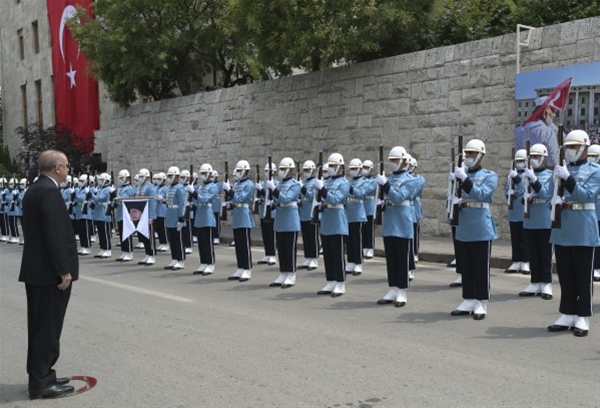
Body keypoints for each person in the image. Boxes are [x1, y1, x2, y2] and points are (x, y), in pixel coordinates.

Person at [19, 150, 78, 399]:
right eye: (66, 165)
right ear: (56, 167)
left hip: (37, 271)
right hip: (48, 274)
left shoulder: (35, 189)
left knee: (40, 326)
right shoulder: (49, 191)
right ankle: (42, 382)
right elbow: (54, 234)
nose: (68, 169)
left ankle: (41, 374)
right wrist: (63, 270)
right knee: (48, 328)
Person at [547, 130, 600, 337]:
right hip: (563, 227)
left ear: (585, 148)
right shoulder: (561, 169)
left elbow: (586, 196)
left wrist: (568, 179)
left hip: (583, 228)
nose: (569, 151)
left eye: (573, 147)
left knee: (582, 275)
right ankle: (567, 312)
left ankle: (583, 316)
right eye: (567, 147)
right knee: (565, 275)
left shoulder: (595, 171)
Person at [449, 139, 498, 320]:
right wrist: (452, 186)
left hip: (479, 225)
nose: (468, 156)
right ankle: (468, 298)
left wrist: (464, 179)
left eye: (471, 153)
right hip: (464, 224)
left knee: (480, 266)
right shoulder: (460, 174)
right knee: (466, 266)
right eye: (466, 153)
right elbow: (452, 198)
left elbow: (481, 194)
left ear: (480, 155)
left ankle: (481, 301)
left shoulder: (489, 175)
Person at [375, 146, 420, 307]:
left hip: (402, 222)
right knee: (391, 259)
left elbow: (399, 196)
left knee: (402, 258)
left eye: (395, 160)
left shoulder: (411, 180)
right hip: (389, 222)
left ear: (402, 161)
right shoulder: (389, 178)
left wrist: (385, 185)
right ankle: (392, 288)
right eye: (391, 160)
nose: (392, 163)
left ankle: (402, 291)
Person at [519, 143, 554, 299]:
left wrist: (533, 180)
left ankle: (546, 283)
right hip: (530, 219)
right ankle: (534, 282)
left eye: (537, 157)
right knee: (533, 253)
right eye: (532, 157)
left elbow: (545, 194)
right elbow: (521, 196)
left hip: (545, 218)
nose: (534, 160)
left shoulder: (550, 175)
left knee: (545, 254)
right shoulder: (526, 175)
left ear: (544, 158)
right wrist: (524, 197)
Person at [314, 153, 351, 297]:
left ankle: (340, 283)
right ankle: (330, 280)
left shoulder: (344, 183)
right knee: (328, 254)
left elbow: (335, 199)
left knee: (337, 254)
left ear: (341, 167)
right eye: (329, 165)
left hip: (337, 220)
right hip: (326, 220)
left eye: (333, 165)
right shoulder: (327, 181)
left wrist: (322, 189)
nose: (331, 168)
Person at [268, 157, 301, 288]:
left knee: (289, 249)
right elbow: (278, 201)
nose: (280, 171)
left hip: (290, 220)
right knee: (281, 248)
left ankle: (291, 274)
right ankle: (283, 272)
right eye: (280, 169)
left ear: (289, 170)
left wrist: (274, 190)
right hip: (280, 219)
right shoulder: (280, 184)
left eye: (283, 169)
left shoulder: (295, 184)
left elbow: (287, 199)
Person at [224, 160, 255, 281]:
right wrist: (228, 204)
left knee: (245, 244)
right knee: (238, 244)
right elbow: (234, 201)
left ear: (245, 171)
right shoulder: (236, 184)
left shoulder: (249, 184)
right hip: (236, 215)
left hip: (244, 216)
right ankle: (240, 267)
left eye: (239, 170)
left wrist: (230, 191)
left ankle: (247, 269)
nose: (236, 173)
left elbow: (240, 198)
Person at [505, 149, 530, 274]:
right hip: (514, 212)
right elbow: (506, 190)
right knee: (515, 239)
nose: (519, 163)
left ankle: (525, 261)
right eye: (518, 161)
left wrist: (518, 183)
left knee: (525, 239)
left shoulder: (529, 175)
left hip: (524, 212)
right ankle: (516, 261)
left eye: (522, 161)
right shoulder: (511, 175)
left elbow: (525, 191)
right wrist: (509, 193)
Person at [515, 96, 559, 167]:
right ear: (545, 113)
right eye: (553, 111)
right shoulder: (548, 133)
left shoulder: (518, 130)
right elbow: (553, 163)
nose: (554, 115)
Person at [191, 163, 219, 275]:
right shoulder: (200, 187)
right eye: (201, 173)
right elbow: (197, 202)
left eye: (204, 173)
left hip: (207, 216)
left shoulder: (213, 187)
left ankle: (210, 264)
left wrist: (193, 193)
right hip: (199, 216)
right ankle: (203, 263)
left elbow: (204, 200)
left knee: (208, 243)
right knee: (201, 243)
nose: (202, 175)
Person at [345, 158, 368, 275]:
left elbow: (361, 195)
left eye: (354, 169)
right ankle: (351, 261)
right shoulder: (348, 181)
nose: (352, 171)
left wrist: (351, 189)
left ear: (359, 170)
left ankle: (358, 262)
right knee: (348, 240)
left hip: (357, 214)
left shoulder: (364, 182)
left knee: (356, 239)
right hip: (347, 214)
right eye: (351, 169)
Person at [298, 160, 319, 270]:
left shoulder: (315, 182)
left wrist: (303, 188)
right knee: (305, 236)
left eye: (308, 170)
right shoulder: (304, 181)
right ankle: (308, 257)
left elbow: (312, 196)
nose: (306, 172)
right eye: (304, 170)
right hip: (303, 212)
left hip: (311, 212)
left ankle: (314, 258)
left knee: (313, 236)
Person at [588, 144, 600, 282]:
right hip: (592, 212)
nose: (591, 159)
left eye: (594, 156)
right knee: (595, 242)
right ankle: (595, 267)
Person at [361, 159, 377, 259]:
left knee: (369, 229)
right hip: (362, 207)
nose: (364, 170)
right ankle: (364, 247)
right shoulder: (361, 180)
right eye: (363, 168)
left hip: (370, 207)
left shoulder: (373, 181)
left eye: (366, 168)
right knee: (363, 229)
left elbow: (369, 189)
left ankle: (370, 248)